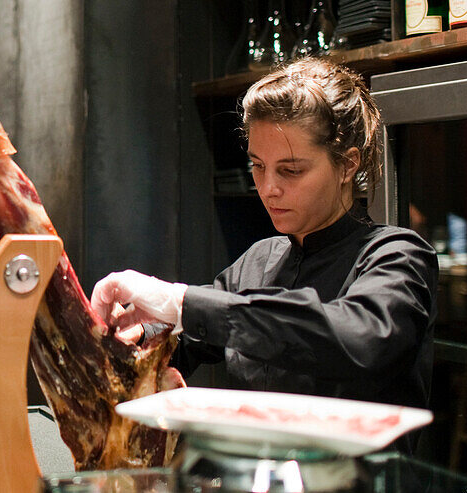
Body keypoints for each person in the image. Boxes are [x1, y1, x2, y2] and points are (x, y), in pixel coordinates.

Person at [91, 58, 438, 420]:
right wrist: (138, 332)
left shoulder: (398, 255)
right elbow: (187, 339)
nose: (269, 189)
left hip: (359, 477)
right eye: (258, 166)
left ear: (348, 165)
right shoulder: (260, 261)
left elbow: (359, 337)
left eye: (291, 170)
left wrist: (181, 302)